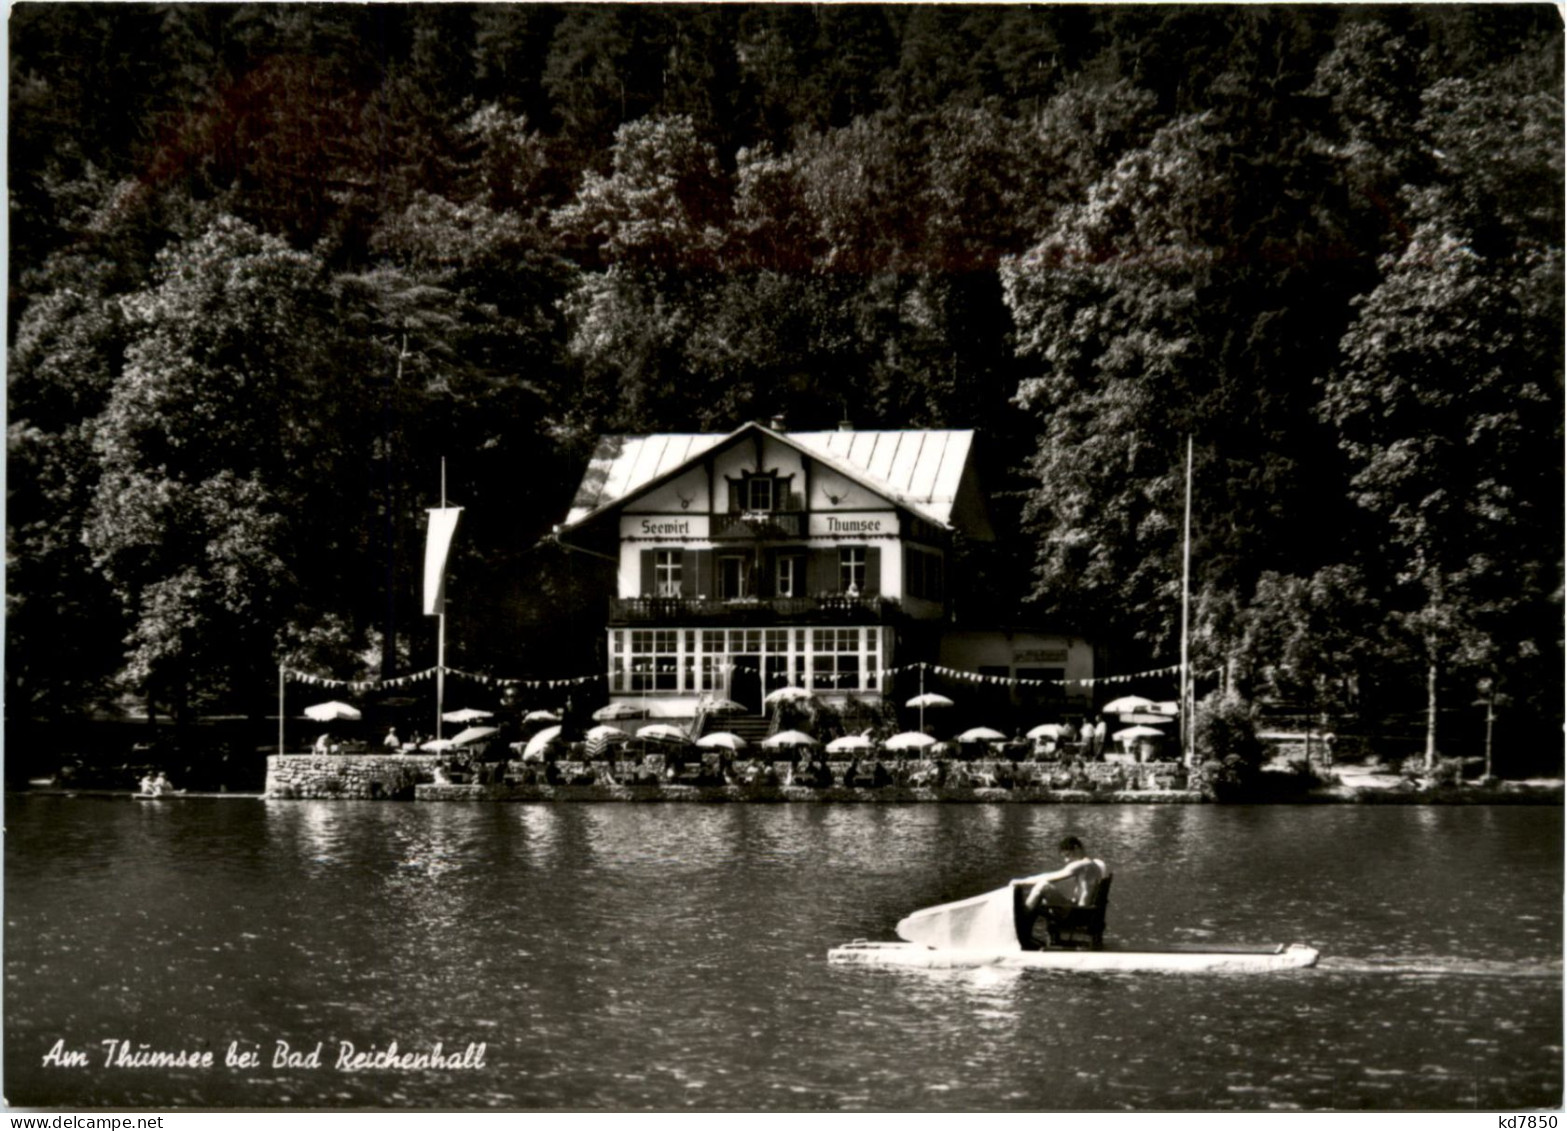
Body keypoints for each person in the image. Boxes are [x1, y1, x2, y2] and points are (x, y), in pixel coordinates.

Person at [1017, 836, 1110, 947]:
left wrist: (1022, 881)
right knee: (1044, 899)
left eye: (1068, 855)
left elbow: (1051, 876)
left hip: (1079, 914)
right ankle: (1025, 935)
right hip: (1086, 913)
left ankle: (1020, 933)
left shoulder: (1082, 864)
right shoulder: (1094, 865)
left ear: (1076, 848)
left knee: (1043, 886)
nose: (1066, 860)